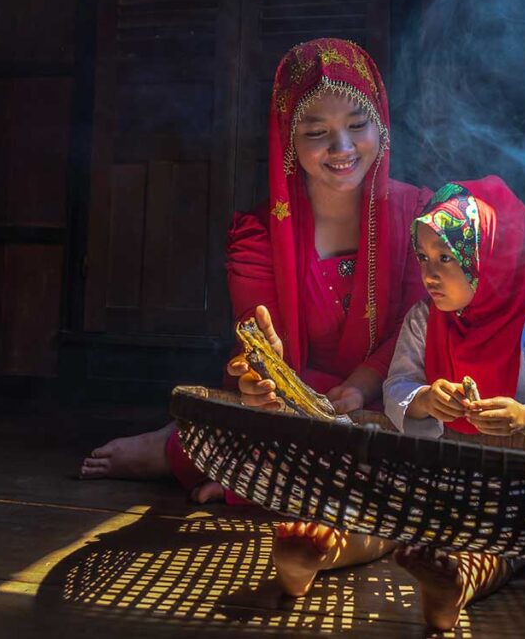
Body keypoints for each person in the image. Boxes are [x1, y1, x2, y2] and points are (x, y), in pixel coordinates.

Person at [79, 38, 430, 504]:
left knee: (410, 440)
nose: (341, 147)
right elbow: (263, 347)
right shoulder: (259, 234)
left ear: (381, 126)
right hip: (292, 399)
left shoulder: (420, 217)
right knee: (292, 429)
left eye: (358, 124)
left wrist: (359, 386)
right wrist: (268, 384)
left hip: (385, 397)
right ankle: (177, 447)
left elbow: (417, 328)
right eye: (315, 132)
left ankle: (233, 466)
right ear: (287, 139)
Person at [268, 177, 525, 630]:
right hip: (441, 476)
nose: (429, 274)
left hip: (516, 485)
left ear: (490, 261)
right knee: (385, 510)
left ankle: (455, 582)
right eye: (423, 257)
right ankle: (319, 553)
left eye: (446, 258)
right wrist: (423, 399)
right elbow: (397, 385)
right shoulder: (424, 320)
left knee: (502, 539)